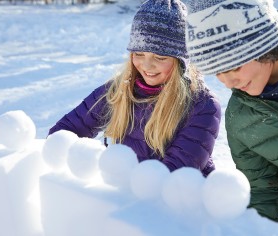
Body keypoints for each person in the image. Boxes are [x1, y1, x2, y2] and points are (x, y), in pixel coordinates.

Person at [48, 0, 221, 177]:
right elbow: (63, 134)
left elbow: (174, 174)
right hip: (129, 193)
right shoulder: (120, 90)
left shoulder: (201, 105)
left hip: (181, 199)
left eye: (160, 57)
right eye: (139, 54)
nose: (147, 65)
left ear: (181, 62)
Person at [185, 0, 278, 233]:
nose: (228, 83)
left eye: (233, 67)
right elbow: (263, 190)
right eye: (217, 72)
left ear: (264, 46)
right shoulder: (241, 117)